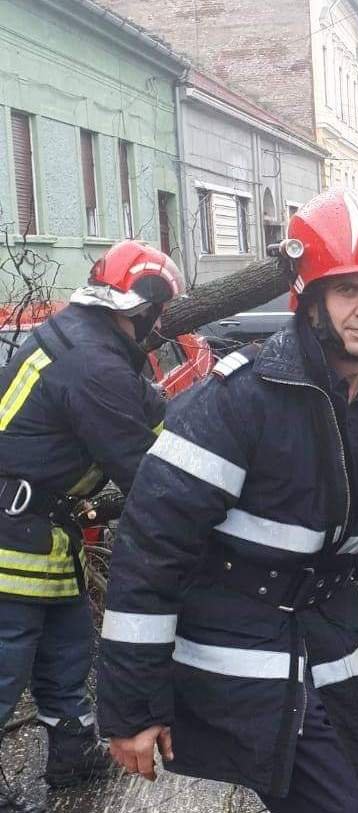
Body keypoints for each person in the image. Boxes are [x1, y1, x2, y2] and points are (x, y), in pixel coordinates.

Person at [97, 190, 358, 813]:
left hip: (332, 632)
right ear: (312, 299)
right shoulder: (241, 401)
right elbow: (150, 546)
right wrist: (133, 708)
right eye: (348, 291)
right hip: (239, 643)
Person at [0, 241, 186, 812]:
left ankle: (72, 753)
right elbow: (146, 470)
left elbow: (152, 414)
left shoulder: (85, 338)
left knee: (66, 649)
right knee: (5, 663)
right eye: (159, 316)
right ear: (146, 307)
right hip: (14, 537)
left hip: (44, 532)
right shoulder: (93, 363)